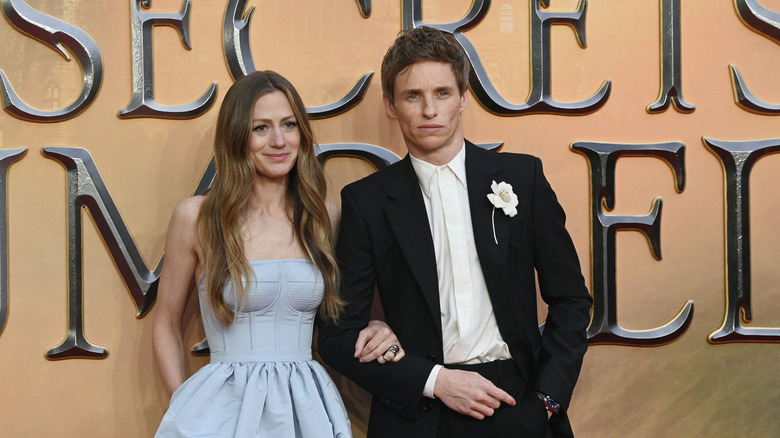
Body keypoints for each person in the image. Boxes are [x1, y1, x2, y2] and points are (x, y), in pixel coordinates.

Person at [317, 27, 593, 437]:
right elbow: (337, 335)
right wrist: (434, 381)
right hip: (420, 409)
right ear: (391, 105)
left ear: (463, 97)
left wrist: (547, 401)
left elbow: (571, 299)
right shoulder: (366, 201)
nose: (429, 110)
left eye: (442, 93)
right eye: (413, 96)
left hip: (517, 403)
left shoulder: (523, 178)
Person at [152, 71, 404, 438]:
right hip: (221, 411)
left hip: (308, 408)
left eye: (289, 124)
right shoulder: (196, 217)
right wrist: (184, 404)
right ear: (237, 136)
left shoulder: (325, 218)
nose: (279, 141)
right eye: (261, 128)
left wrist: (376, 327)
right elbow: (166, 321)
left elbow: (343, 321)